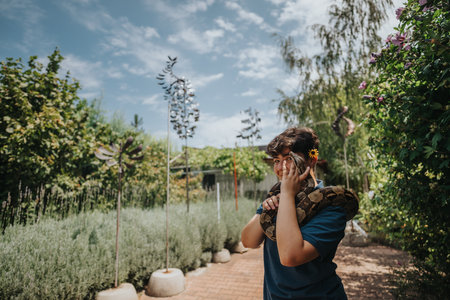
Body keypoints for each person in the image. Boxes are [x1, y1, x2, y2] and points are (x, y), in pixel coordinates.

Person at [241, 127, 348, 300]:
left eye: (289, 158)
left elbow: (290, 257)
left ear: (312, 159)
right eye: (276, 160)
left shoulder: (333, 206)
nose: (281, 167)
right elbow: (248, 241)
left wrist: (287, 195)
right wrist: (269, 206)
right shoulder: (277, 197)